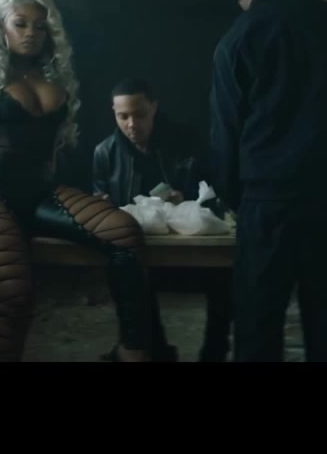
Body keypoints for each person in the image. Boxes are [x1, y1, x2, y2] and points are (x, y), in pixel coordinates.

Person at [0, 0, 169, 362]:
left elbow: (55, 150)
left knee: (125, 234)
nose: (31, 33)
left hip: (43, 190)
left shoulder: (53, 70)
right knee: (14, 294)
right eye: (20, 24)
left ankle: (131, 352)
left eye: (39, 27)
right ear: (1, 27)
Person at [209, 0, 327, 363]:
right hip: (325, 198)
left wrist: (235, 201)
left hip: (266, 205)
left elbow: (225, 136)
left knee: (258, 326)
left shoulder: (234, 41)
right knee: (326, 323)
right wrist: (315, 104)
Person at [92, 77, 233, 362]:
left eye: (140, 114)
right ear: (113, 113)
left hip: (192, 248)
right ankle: (156, 351)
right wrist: (102, 207)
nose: (132, 124)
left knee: (225, 274)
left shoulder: (187, 141)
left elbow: (218, 193)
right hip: (141, 251)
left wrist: (189, 198)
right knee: (127, 272)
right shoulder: (105, 153)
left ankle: (214, 353)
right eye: (123, 116)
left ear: (154, 107)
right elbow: (100, 204)